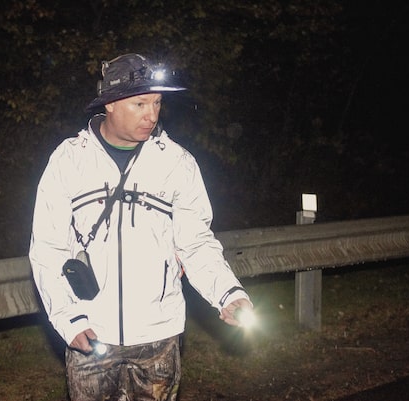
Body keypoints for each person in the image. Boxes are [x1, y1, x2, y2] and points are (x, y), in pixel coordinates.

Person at [29, 53, 253, 401]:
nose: (152, 114)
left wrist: (228, 293)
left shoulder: (176, 163)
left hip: (158, 336)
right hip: (91, 333)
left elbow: (196, 242)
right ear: (111, 104)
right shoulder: (69, 160)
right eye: (140, 104)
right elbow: (47, 247)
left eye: (157, 103)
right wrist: (67, 317)